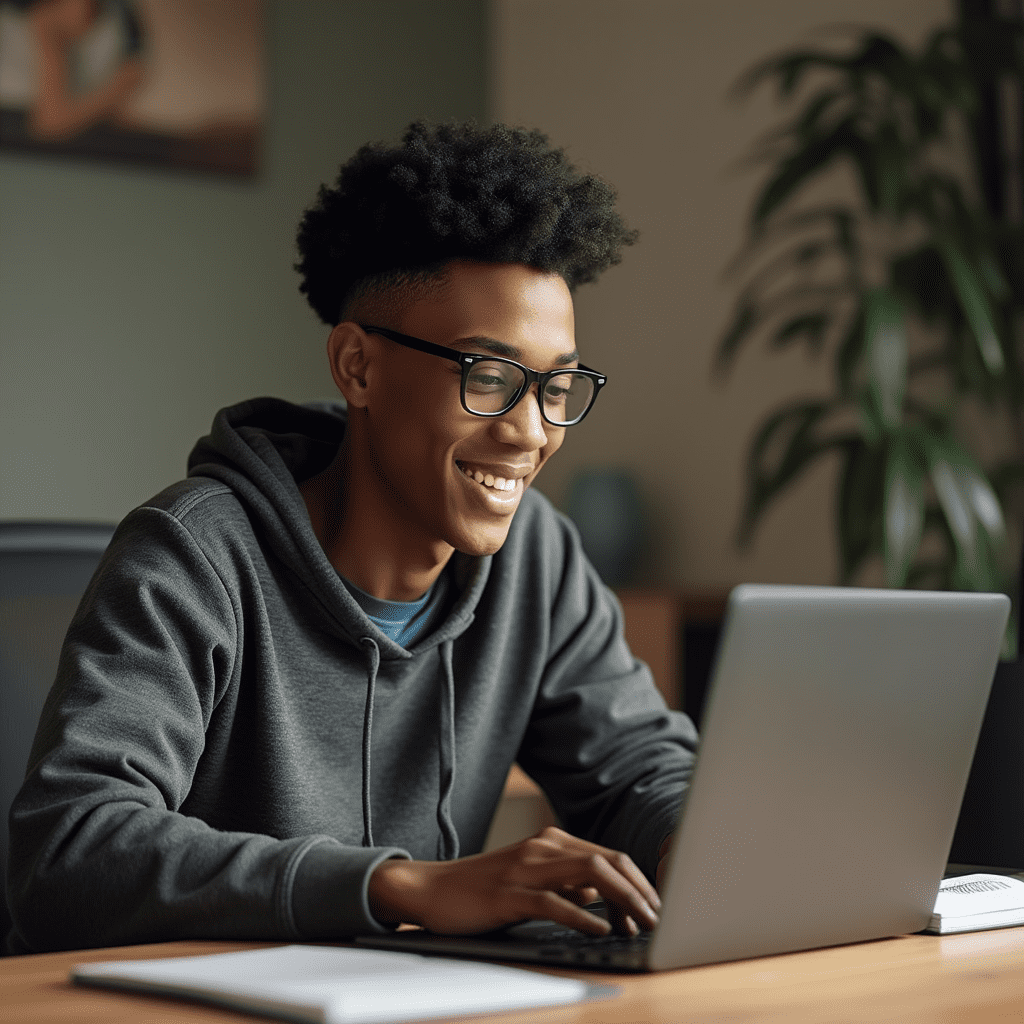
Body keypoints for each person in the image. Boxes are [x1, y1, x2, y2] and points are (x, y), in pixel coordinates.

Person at [5, 121, 698, 955]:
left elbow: (638, 766)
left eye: (557, 385)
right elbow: (68, 854)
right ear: (357, 366)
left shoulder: (537, 556)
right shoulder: (194, 556)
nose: (531, 431)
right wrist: (399, 885)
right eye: (488, 377)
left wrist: (686, 838)